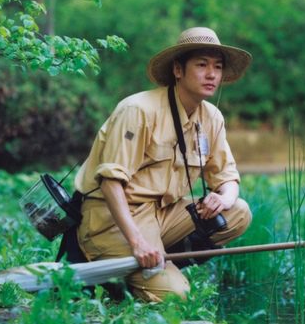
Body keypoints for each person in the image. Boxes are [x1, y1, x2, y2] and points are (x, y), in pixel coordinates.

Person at [71, 27, 253, 302]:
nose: (211, 74)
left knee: (238, 211)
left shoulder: (212, 118)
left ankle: (157, 262)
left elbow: (228, 178)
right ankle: (132, 267)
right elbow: (110, 184)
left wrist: (223, 199)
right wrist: (137, 241)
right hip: (114, 219)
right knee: (178, 297)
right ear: (178, 70)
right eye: (201, 65)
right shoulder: (139, 110)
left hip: (163, 214)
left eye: (217, 66)